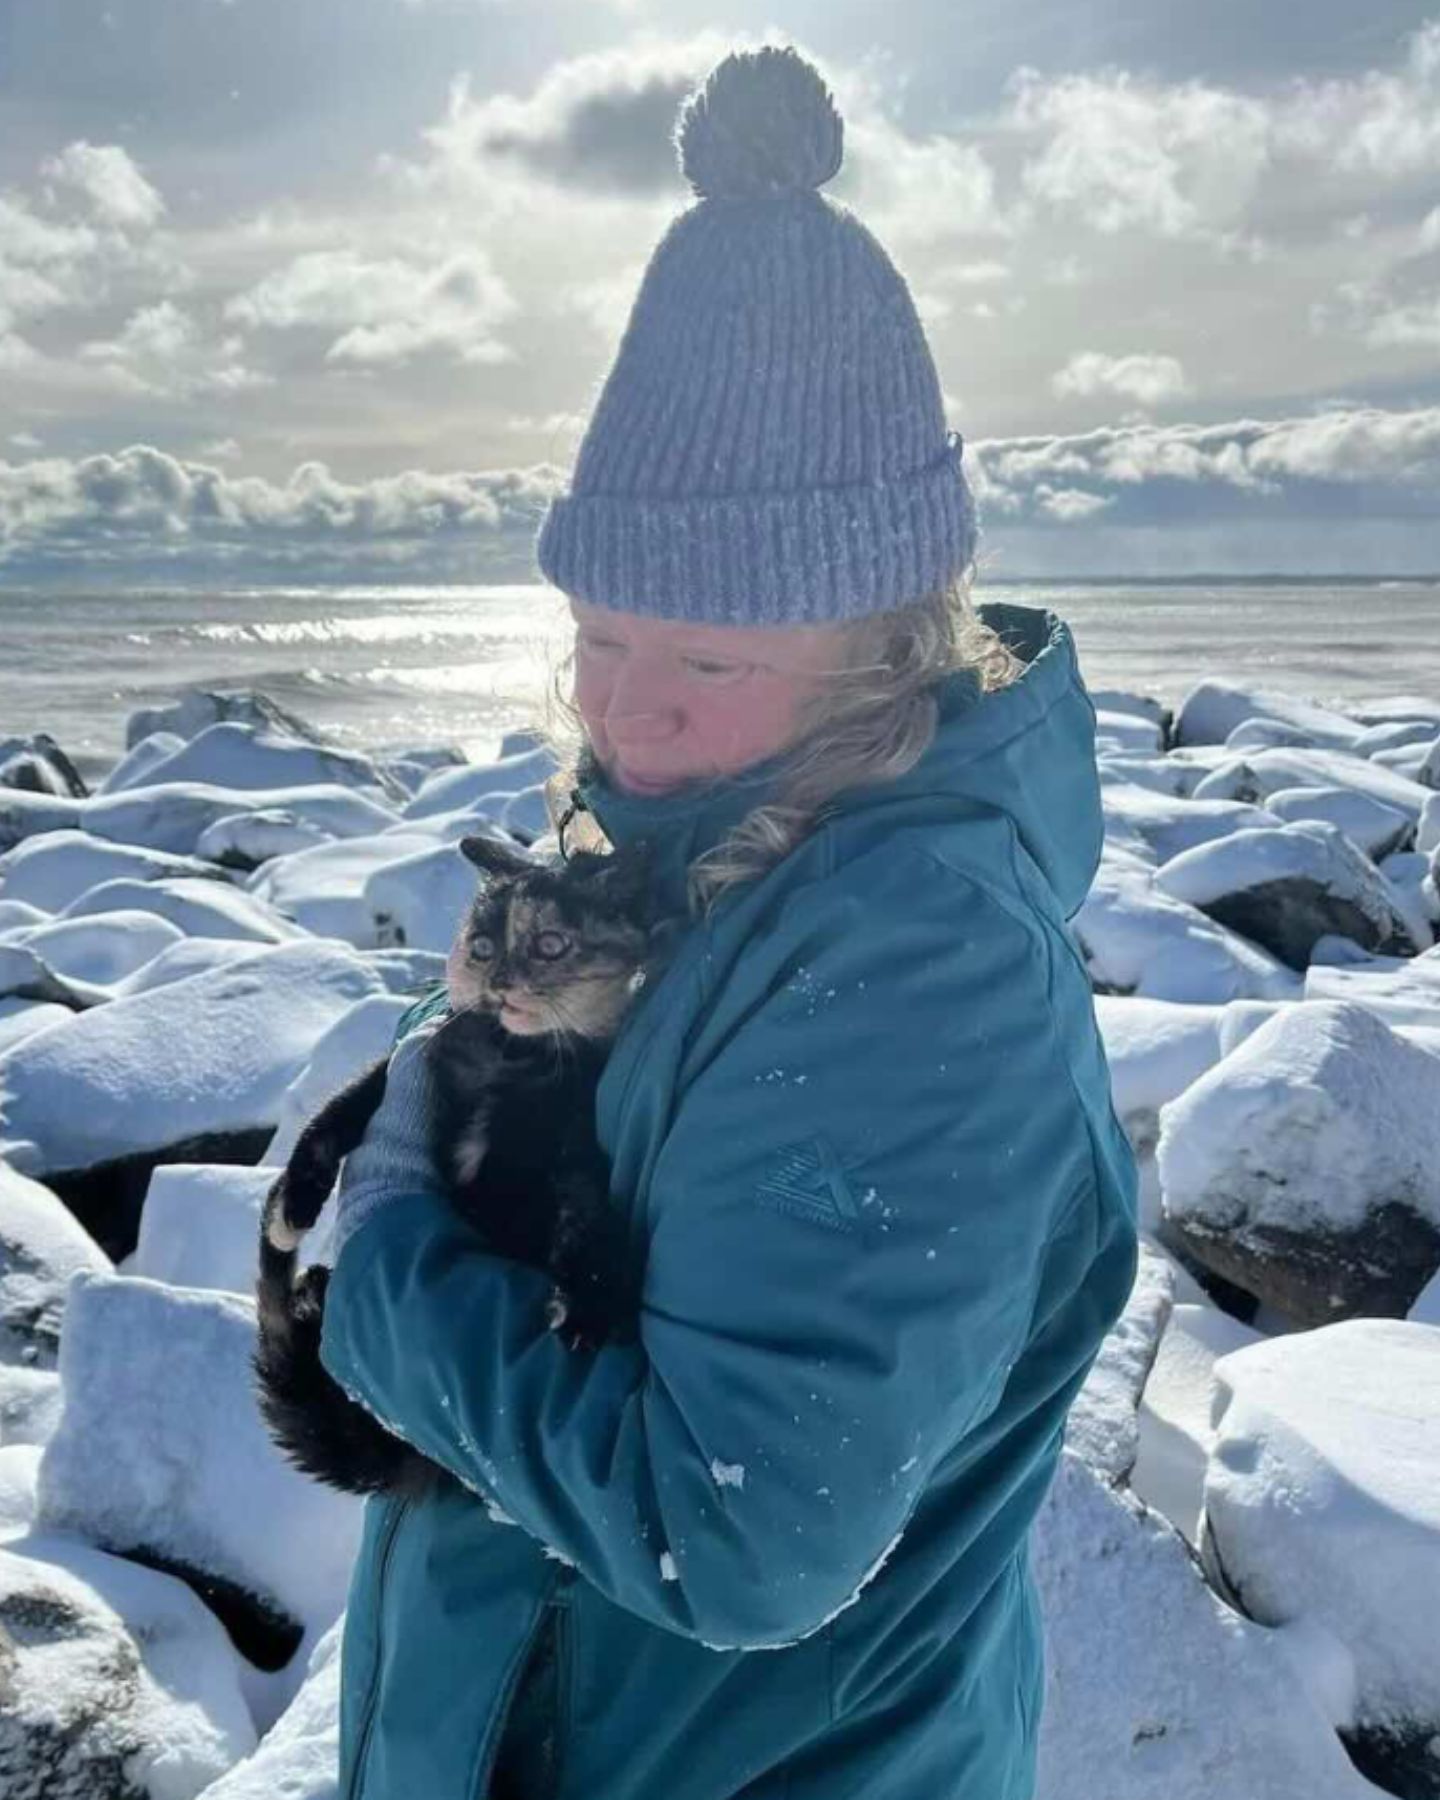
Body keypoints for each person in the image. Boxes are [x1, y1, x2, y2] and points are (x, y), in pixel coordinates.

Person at [317, 42, 1140, 1800]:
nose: (630, 710)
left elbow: (733, 1538)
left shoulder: (918, 965)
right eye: (602, 634)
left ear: (884, 642)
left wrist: (379, 1266)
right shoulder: (711, 829)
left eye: (707, 655)